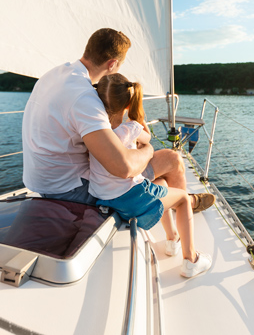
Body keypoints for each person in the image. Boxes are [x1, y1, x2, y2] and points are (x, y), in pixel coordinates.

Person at [22, 27, 215, 212]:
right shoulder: (84, 97)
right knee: (172, 160)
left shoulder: (55, 74)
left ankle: (177, 200)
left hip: (42, 181)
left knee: (158, 175)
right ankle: (186, 204)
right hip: (71, 190)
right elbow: (123, 168)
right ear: (112, 64)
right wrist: (148, 150)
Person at [90, 73, 212, 277]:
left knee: (163, 184)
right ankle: (191, 259)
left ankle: (173, 238)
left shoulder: (96, 133)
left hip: (104, 197)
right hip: (128, 199)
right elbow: (148, 141)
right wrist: (137, 116)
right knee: (181, 198)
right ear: (127, 105)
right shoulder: (132, 128)